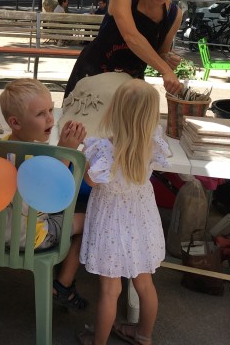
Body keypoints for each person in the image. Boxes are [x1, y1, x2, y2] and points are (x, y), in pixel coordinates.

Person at [76, 79, 171, 345]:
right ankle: (144, 335)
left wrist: (83, 159)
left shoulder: (104, 150)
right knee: (145, 284)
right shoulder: (152, 143)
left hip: (110, 223)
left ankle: (98, 341)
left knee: (110, 290)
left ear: (114, 111)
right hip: (142, 221)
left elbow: (91, 180)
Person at [0, 79, 89, 310]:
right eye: (40, 114)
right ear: (15, 122)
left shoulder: (5, 144)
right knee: (92, 220)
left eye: (50, 109)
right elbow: (49, 198)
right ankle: (63, 286)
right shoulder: (32, 159)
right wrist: (66, 152)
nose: (50, 119)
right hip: (30, 237)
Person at [65, 0, 184, 98]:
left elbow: (161, 53)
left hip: (130, 86)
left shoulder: (174, 15)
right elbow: (131, 37)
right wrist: (165, 70)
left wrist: (167, 59)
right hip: (92, 74)